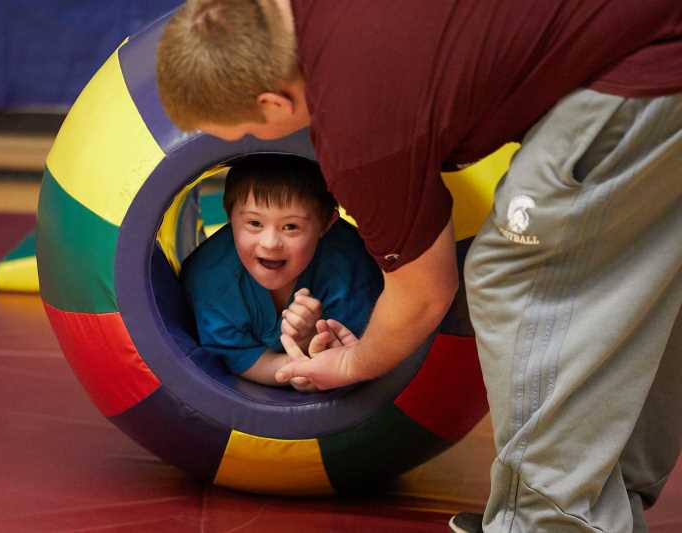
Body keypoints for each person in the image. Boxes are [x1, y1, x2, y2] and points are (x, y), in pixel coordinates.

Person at [157, 1, 682, 530]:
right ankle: (603, 499)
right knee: (643, 272)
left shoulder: (357, 125)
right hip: (644, 45)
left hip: (647, 63)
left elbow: (424, 293)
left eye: (241, 131)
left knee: (515, 274)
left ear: (272, 103)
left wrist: (350, 365)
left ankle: (549, 523)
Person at [180, 153, 383, 392]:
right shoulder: (209, 277)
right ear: (229, 215)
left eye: (291, 226)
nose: (270, 243)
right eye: (254, 223)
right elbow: (239, 356)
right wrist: (296, 369)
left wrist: (312, 341)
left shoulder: (351, 268)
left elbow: (363, 354)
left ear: (326, 224)